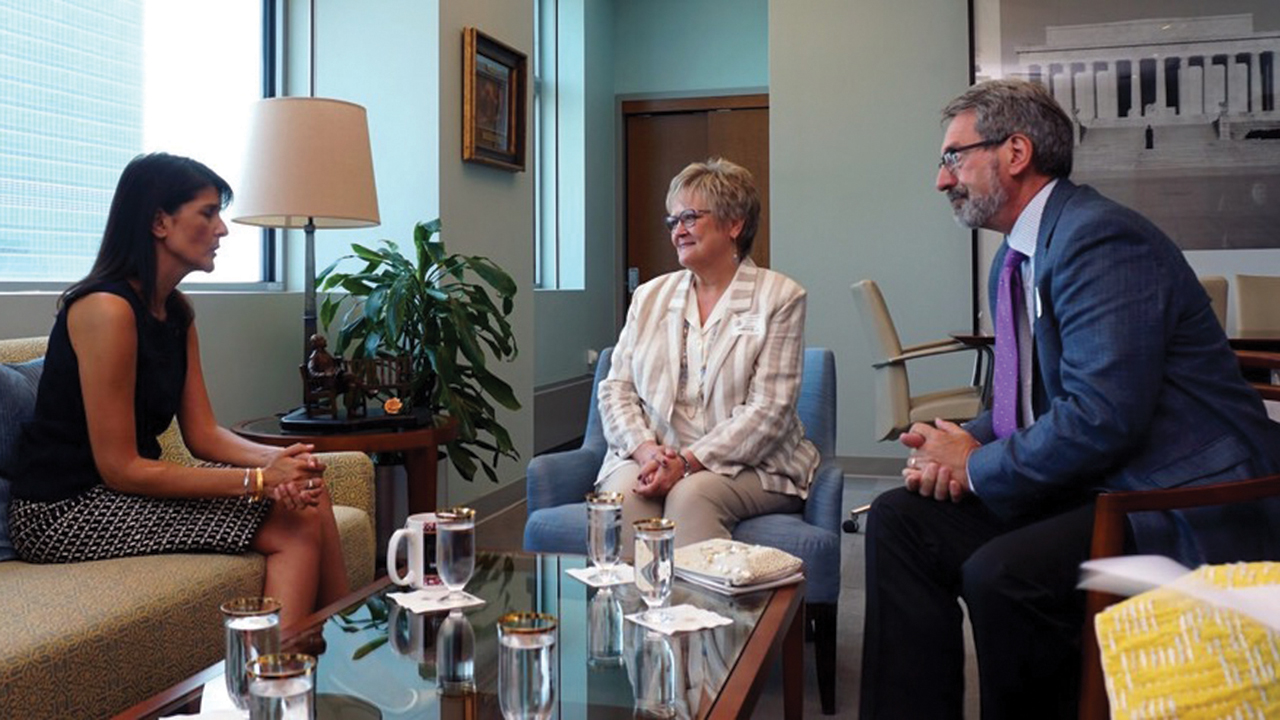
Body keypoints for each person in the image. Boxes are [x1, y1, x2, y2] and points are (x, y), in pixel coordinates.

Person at [859, 80, 1280, 720]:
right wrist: (952, 448)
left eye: (952, 158)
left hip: (1176, 494)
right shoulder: (1022, 253)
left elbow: (1102, 417)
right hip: (1102, 479)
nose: (941, 181)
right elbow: (1025, 405)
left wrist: (973, 467)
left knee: (1003, 574)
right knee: (900, 522)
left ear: (1016, 152)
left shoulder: (1099, 238)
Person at [8, 153, 350, 628]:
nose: (223, 229)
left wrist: (279, 463)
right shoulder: (105, 309)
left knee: (310, 491)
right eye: (208, 213)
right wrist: (258, 481)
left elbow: (203, 434)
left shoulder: (177, 312)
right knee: (295, 523)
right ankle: (272, 686)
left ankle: (341, 664)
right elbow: (120, 468)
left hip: (122, 495)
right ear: (159, 222)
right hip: (63, 511)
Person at [596, 158, 819, 549]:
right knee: (623, 499)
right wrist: (648, 452)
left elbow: (769, 411)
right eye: (672, 221)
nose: (677, 231)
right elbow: (616, 390)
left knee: (690, 495)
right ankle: (630, 610)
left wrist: (686, 463)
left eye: (690, 218)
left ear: (735, 224)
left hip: (752, 463)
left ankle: (699, 610)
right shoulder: (649, 296)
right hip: (650, 454)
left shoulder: (780, 297)